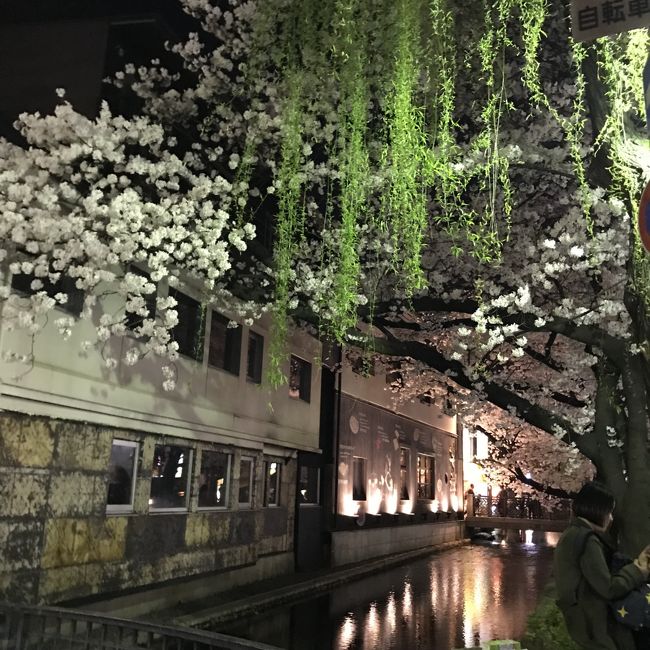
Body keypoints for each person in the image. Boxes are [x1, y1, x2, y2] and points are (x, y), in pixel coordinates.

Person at [554, 481, 650, 650]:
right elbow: (608, 588)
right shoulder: (586, 540)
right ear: (597, 509)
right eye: (609, 512)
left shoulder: (572, 534)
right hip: (594, 624)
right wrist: (638, 570)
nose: (611, 518)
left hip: (582, 619)